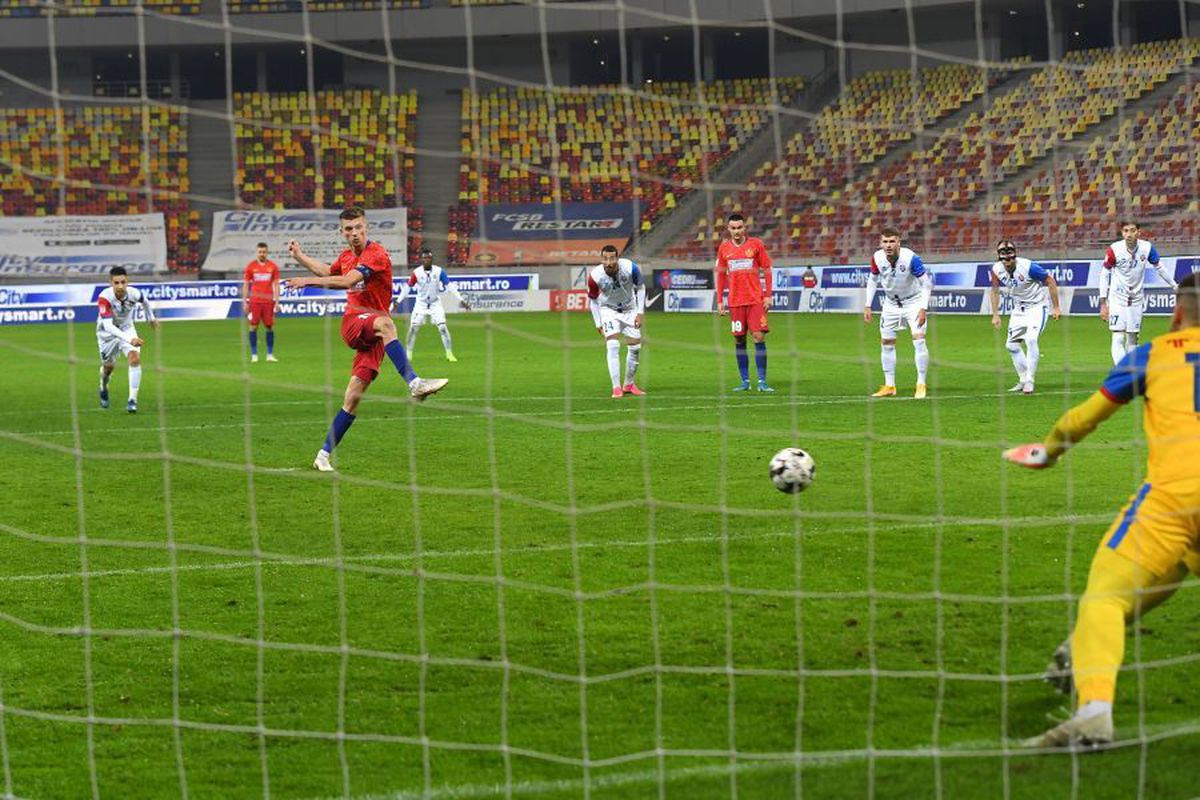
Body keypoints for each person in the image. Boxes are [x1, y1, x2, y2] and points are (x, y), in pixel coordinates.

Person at [1004, 271, 1200, 749]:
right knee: (1137, 591)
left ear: (1177, 313)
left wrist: (1047, 452)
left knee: (1106, 598)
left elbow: (1084, 417)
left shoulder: (1154, 354)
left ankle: (1093, 712)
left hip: (1178, 498)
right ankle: (1082, 647)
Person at [283, 207, 448, 472]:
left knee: (353, 397)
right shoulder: (346, 256)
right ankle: (415, 383)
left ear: (366, 228)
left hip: (374, 334)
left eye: (359, 227)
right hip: (355, 322)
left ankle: (323, 455)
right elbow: (329, 272)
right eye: (349, 229)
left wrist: (306, 280)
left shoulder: (377, 254)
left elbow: (348, 281)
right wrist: (301, 257)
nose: (354, 233)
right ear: (342, 232)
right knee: (386, 323)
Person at [862, 228, 932, 399]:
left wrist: (923, 308)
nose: (888, 245)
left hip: (913, 303)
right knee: (886, 343)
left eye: (892, 241)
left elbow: (927, 284)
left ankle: (921, 384)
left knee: (919, 341)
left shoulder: (911, 258)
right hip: (890, 304)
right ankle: (890, 385)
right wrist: (867, 305)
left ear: (899, 242)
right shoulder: (877, 258)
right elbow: (872, 280)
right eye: (885, 242)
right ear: (880, 243)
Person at [989, 240, 1061, 395]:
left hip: (1037, 307)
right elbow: (994, 290)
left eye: (1010, 255)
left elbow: (1050, 280)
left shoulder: (1029, 267)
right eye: (1004, 256)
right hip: (1018, 309)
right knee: (1011, 345)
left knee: (1031, 339)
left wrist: (1056, 307)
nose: (1008, 260)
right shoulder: (996, 270)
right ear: (999, 257)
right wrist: (995, 314)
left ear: (1015, 254)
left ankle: (1030, 380)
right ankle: (1022, 379)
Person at [1100, 220, 1177, 364]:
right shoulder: (1114, 249)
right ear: (1122, 233)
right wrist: (1103, 302)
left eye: (1132, 230)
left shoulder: (1147, 248)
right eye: (1126, 231)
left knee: (1133, 338)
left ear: (1139, 232)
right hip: (1117, 298)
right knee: (1118, 336)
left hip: (1136, 299)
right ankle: (1123, 372)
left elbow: (1159, 268)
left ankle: (1132, 371)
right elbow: (1104, 274)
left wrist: (1175, 286)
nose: (1129, 234)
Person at [714, 213, 773, 392]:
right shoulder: (724, 249)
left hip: (755, 300)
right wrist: (719, 300)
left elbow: (767, 268)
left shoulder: (756, 244)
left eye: (740, 227)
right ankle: (745, 381)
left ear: (745, 227)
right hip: (735, 302)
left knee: (758, 336)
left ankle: (762, 381)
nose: (737, 231)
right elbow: (721, 275)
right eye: (733, 228)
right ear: (728, 229)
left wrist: (768, 295)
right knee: (739, 340)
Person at [96, 266, 158, 414]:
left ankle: (132, 401)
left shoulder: (134, 293)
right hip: (106, 334)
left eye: (123, 282)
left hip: (127, 328)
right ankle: (103, 387)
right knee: (108, 368)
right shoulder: (104, 298)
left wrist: (151, 318)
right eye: (116, 283)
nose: (120, 286)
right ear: (111, 283)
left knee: (135, 359)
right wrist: (130, 340)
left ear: (127, 281)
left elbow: (145, 302)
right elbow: (109, 326)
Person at [587, 245, 645, 397]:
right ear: (601, 260)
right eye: (605, 259)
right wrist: (598, 322)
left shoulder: (631, 268)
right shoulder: (595, 276)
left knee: (635, 348)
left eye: (612, 258)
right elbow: (593, 300)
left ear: (617, 258)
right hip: (608, 309)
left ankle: (629, 384)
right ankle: (616, 387)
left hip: (630, 309)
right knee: (612, 345)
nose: (609, 262)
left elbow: (641, 287)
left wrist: (640, 313)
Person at [396, 246, 470, 362]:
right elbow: (407, 288)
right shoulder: (416, 273)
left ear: (432, 259)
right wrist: (398, 301)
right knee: (413, 329)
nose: (427, 260)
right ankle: (409, 354)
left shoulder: (439, 271)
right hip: (421, 304)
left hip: (435, 303)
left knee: (443, 328)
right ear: (422, 259)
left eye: (429, 258)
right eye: (425, 258)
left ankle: (449, 353)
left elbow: (449, 286)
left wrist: (461, 299)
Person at [242, 242, 281, 363]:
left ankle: (269, 354)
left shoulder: (273, 267)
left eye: (264, 252)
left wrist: (277, 301)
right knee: (253, 326)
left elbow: (276, 284)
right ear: (256, 252)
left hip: (268, 301)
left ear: (267, 252)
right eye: (260, 252)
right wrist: (245, 302)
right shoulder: (251, 267)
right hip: (255, 302)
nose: (262, 254)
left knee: (269, 326)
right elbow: (246, 284)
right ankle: (254, 355)